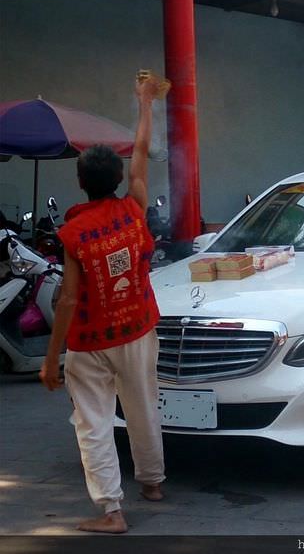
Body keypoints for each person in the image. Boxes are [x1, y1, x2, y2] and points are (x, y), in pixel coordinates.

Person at [40, 77, 165, 534]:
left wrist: (51, 359)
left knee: (93, 422)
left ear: (79, 182)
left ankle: (112, 510)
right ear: (119, 179)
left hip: (90, 340)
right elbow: (142, 147)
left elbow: (69, 297)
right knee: (143, 405)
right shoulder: (134, 205)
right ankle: (152, 483)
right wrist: (146, 103)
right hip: (138, 328)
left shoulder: (74, 233)